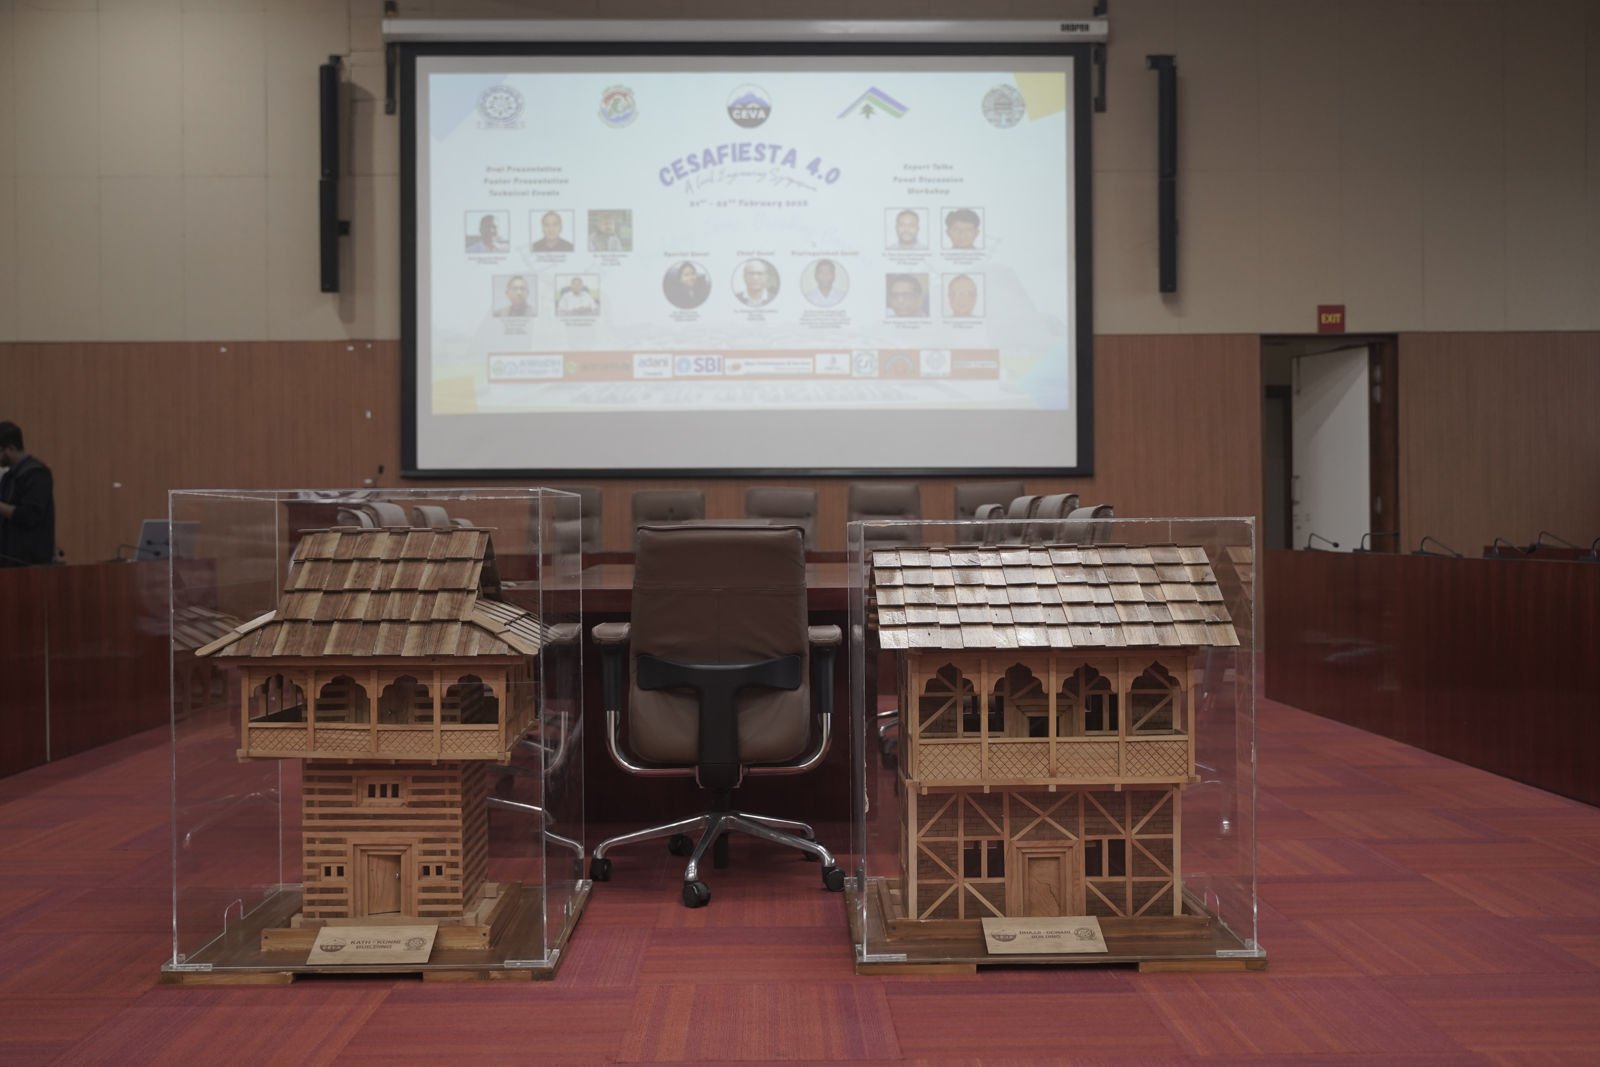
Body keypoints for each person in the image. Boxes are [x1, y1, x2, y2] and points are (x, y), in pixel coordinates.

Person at [0, 421, 56, 567]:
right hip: (7, 560)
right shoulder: (7, 478)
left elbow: (29, 515)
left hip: (30, 563)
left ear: (10, 448)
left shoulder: (37, 474)